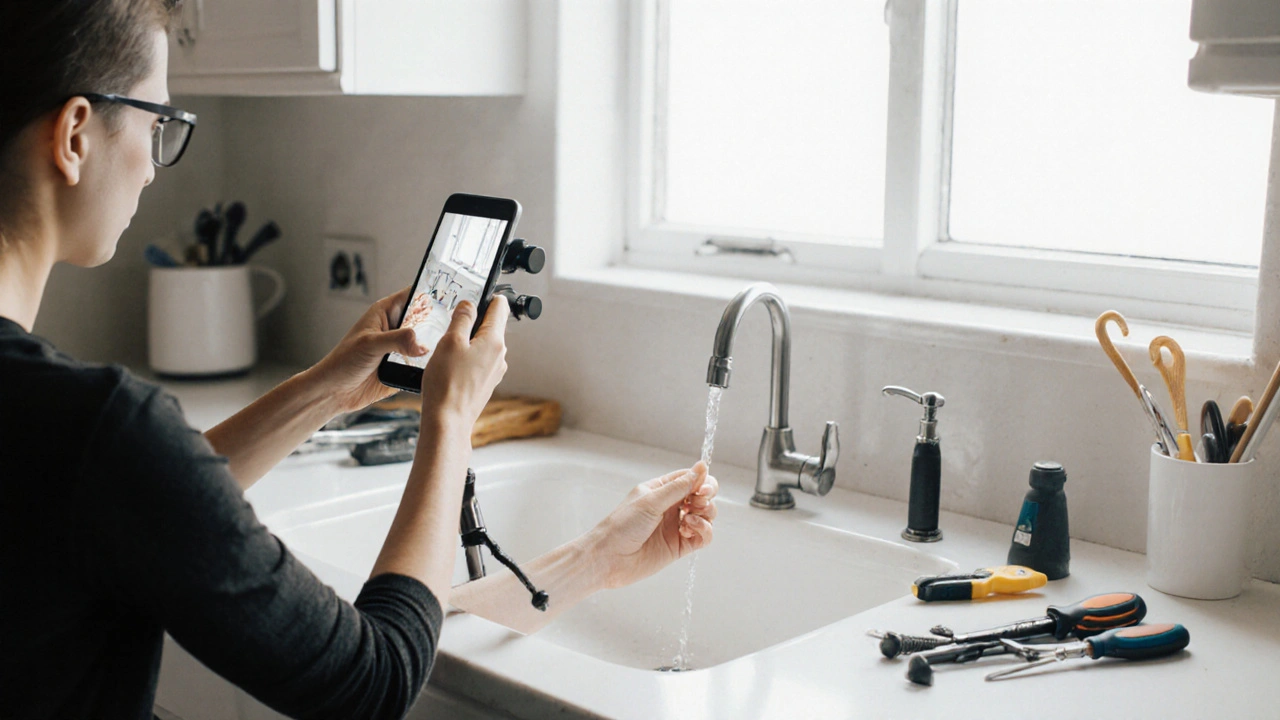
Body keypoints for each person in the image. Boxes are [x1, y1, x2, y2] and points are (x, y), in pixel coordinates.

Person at [0, 2, 718, 719]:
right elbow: (371, 685)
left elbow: (140, 497)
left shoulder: (76, 436)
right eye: (159, 123)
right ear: (74, 135)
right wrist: (450, 419)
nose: (155, 169)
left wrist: (327, 390)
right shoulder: (103, 430)